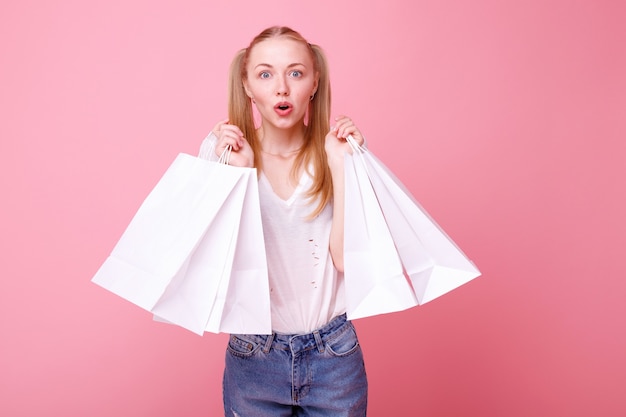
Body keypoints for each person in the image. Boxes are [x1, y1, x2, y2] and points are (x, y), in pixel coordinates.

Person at [200, 26, 368, 416]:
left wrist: (343, 168)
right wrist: (231, 175)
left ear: (313, 83)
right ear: (246, 85)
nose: (281, 88)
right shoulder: (227, 156)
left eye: (295, 73)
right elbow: (216, 267)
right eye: (265, 74)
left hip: (334, 355)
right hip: (254, 355)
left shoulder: (337, 155)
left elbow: (345, 260)